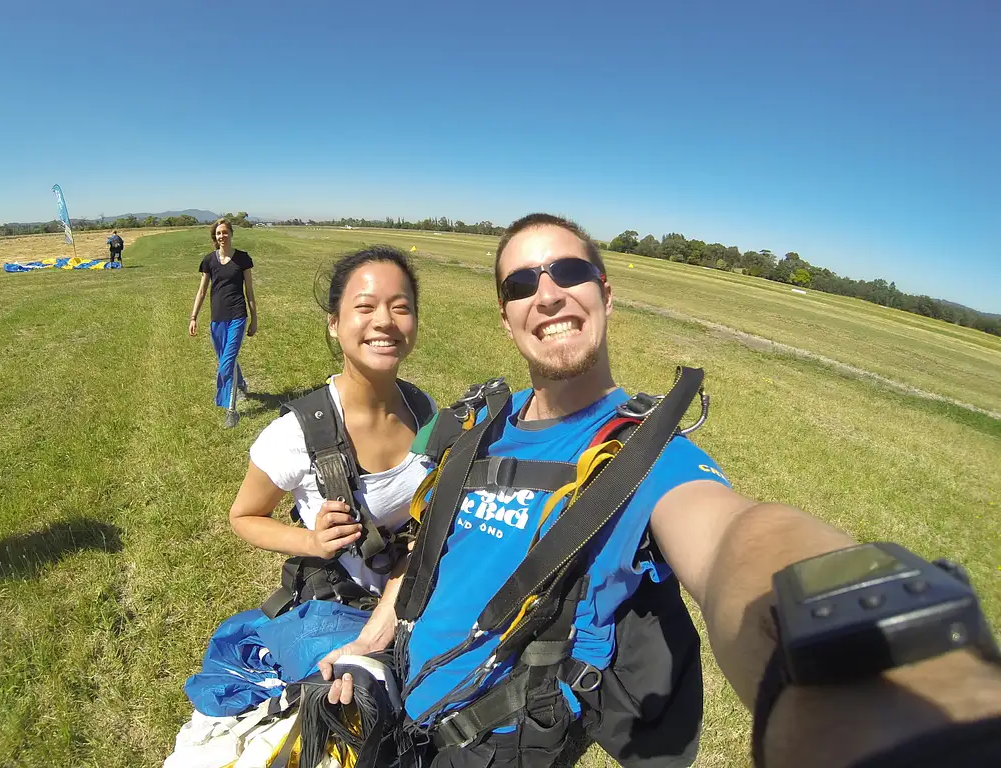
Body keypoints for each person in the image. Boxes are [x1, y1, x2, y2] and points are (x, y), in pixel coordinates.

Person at [320, 214, 1001, 768]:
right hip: (392, 697)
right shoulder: (473, 425)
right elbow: (429, 554)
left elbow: (742, 539)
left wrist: (873, 667)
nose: (549, 293)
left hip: (490, 744)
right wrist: (371, 646)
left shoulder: (650, 462)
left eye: (570, 271)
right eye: (523, 282)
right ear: (507, 318)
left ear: (606, 294)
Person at [229, 245, 435, 652]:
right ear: (334, 324)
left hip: (416, 604)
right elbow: (243, 516)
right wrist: (312, 543)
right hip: (345, 612)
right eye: (365, 306)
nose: (384, 321)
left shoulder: (423, 408)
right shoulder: (296, 435)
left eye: (400, 307)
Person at [189, 219, 258, 428]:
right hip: (217, 319)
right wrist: (193, 317)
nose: (222, 236)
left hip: (237, 315)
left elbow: (249, 291)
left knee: (226, 364)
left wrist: (254, 319)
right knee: (227, 357)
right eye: (218, 233)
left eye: (225, 232)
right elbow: (201, 291)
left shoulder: (243, 259)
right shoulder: (209, 261)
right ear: (215, 237)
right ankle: (241, 383)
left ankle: (231, 410)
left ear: (231, 234)